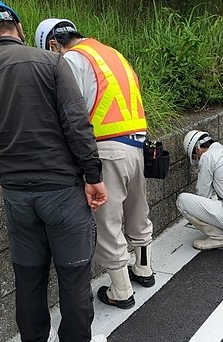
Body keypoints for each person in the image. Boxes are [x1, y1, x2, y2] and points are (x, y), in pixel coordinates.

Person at [0, 0, 108, 342]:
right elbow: (77, 124)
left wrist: (3, 166)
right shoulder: (52, 63)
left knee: (28, 270)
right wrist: (92, 175)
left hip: (16, 193)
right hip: (60, 188)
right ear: (19, 27)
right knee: (73, 270)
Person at [35, 19, 156, 310]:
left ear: (53, 45)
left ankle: (121, 290)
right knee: (138, 210)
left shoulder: (72, 60)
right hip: (137, 145)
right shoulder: (112, 54)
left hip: (106, 150)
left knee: (107, 221)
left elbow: (70, 112)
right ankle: (144, 270)